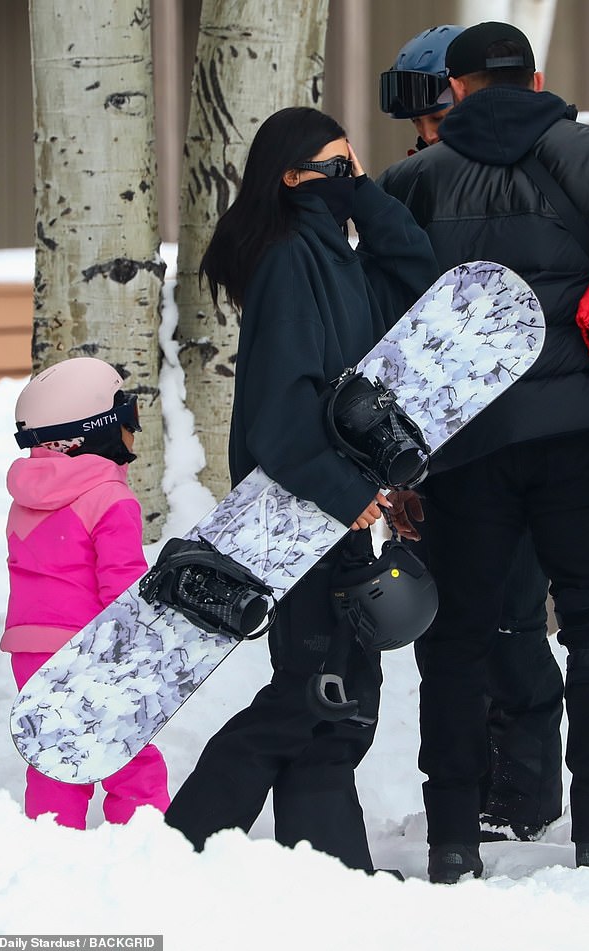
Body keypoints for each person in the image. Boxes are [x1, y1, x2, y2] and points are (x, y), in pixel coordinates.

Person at [164, 106, 438, 871]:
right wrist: (340, 488)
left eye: (357, 165)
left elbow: (417, 275)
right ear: (292, 177)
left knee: (342, 705)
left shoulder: (342, 259)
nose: (352, 181)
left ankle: (328, 872)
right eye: (337, 167)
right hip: (294, 512)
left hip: (336, 512)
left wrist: (379, 490)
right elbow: (279, 413)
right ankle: (176, 848)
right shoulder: (291, 261)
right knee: (311, 694)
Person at [378, 21, 589, 881]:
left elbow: (384, 324)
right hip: (579, 435)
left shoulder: (411, 183)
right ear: (535, 77)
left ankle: (454, 837)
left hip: (464, 446)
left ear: (454, 90)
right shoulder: (582, 158)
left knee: (458, 643)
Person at [2, 357, 171, 830]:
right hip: (91, 648)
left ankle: (52, 848)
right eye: (128, 418)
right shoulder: (110, 499)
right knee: (126, 749)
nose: (134, 430)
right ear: (93, 429)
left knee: (55, 751)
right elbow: (123, 588)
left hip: (30, 651)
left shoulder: (25, 498)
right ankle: (143, 848)